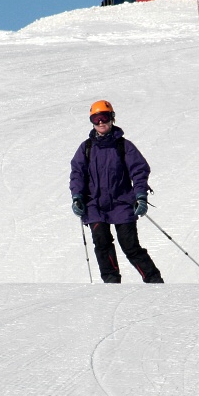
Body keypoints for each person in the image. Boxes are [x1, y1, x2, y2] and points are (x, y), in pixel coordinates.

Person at [70, 100, 163, 283]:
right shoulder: (86, 148)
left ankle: (154, 281)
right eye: (95, 119)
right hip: (95, 205)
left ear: (112, 118)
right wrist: (77, 197)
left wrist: (140, 196)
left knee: (130, 246)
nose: (100, 123)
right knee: (101, 244)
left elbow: (139, 170)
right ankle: (111, 283)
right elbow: (77, 174)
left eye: (104, 117)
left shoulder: (123, 146)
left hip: (122, 203)